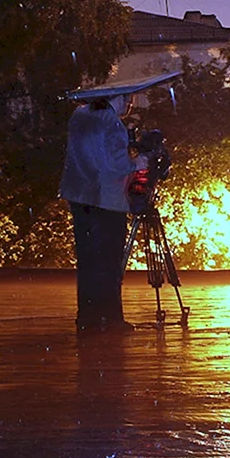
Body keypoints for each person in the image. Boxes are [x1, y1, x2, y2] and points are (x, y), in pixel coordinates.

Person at [58, 91, 146, 333]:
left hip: (78, 195)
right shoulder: (111, 122)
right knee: (108, 260)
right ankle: (111, 317)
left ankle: (87, 316)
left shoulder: (80, 115)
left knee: (88, 259)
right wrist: (138, 162)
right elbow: (116, 164)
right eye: (128, 100)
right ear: (116, 99)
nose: (129, 105)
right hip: (106, 199)